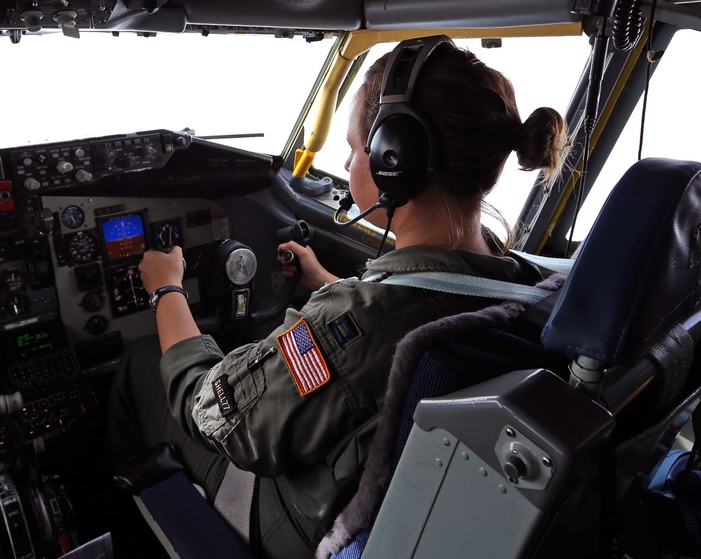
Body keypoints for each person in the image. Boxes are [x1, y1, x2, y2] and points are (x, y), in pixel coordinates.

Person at [107, 36, 567, 559]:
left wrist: (166, 289)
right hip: (404, 497)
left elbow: (213, 413)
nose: (349, 165)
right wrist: (327, 282)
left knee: (145, 361)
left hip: (294, 522)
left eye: (354, 150)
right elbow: (408, 324)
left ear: (397, 159)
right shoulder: (526, 281)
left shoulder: (357, 322)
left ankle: (128, 520)